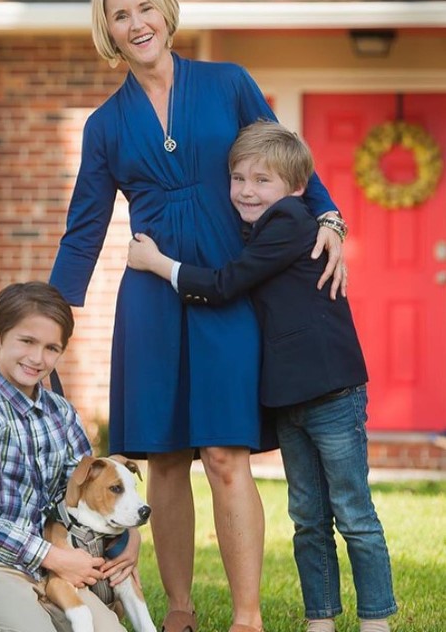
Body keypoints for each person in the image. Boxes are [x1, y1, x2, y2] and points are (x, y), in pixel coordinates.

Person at [48, 0, 346, 632]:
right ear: (109, 33)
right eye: (119, 15)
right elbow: (84, 226)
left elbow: (284, 159)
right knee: (165, 456)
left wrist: (328, 216)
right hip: (150, 301)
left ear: (164, 13)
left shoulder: (227, 83)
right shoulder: (104, 125)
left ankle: (247, 616)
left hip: (228, 285)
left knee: (223, 453)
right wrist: (50, 314)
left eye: (143, 8)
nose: (135, 23)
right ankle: (178, 610)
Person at [127, 120, 397, 632]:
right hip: (287, 397)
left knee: (353, 512)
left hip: (332, 390)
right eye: (238, 178)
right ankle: (320, 619)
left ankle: (375, 619)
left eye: (262, 180)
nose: (247, 191)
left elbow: (227, 284)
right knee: (308, 517)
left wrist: (157, 262)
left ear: (296, 188)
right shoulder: (256, 226)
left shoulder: (292, 222)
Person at [0, 282, 138, 632]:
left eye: (51, 348)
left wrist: (130, 539)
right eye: (26, 341)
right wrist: (55, 557)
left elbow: (81, 494)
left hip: (54, 567)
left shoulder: (61, 413)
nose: (37, 358)